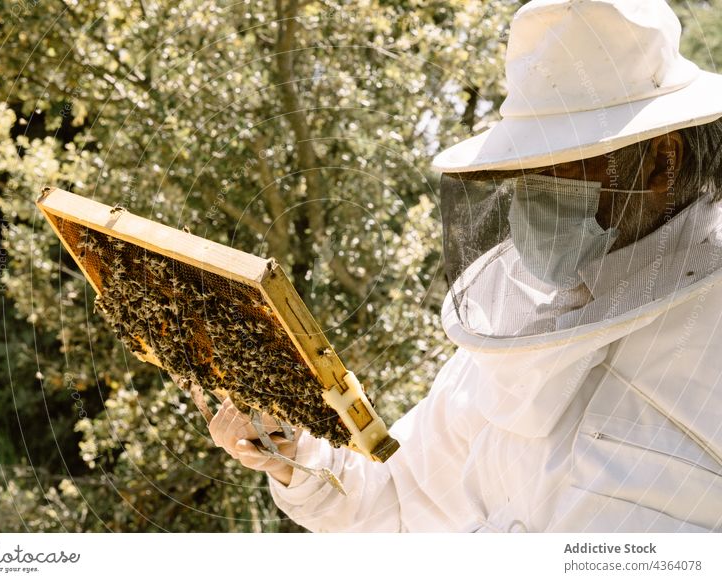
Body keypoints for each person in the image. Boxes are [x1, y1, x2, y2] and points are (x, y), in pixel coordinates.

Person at [209, 0, 722, 532]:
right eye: (522, 169)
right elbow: (396, 500)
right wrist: (294, 451)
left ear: (662, 161)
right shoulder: (518, 332)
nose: (531, 196)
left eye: (559, 164)